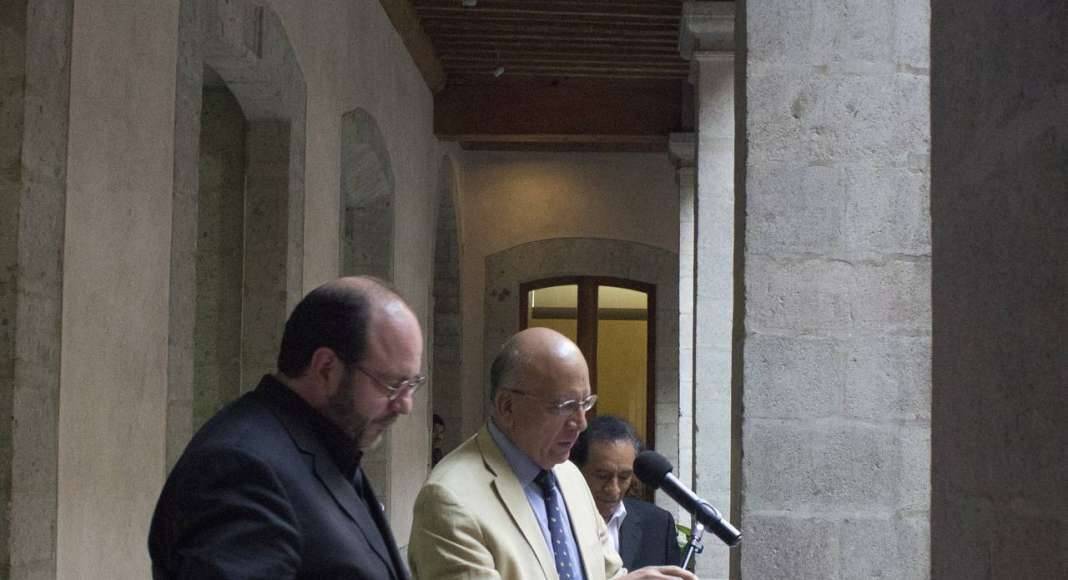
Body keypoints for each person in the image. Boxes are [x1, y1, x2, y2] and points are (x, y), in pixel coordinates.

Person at [149, 276, 423, 579]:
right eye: (392, 384)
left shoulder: (328, 442)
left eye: (412, 384)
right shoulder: (240, 467)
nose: (405, 404)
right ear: (326, 368)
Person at [408, 327, 695, 580]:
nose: (581, 423)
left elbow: (603, 573)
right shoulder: (450, 500)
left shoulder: (567, 474)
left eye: (585, 404)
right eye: (564, 406)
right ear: (507, 407)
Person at [570, 416, 683, 571]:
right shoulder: (557, 521)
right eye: (602, 476)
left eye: (624, 477)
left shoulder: (658, 525)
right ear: (577, 470)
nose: (614, 489)